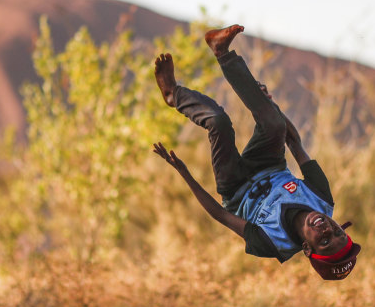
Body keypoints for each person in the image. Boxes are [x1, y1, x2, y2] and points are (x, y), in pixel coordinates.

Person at [152, 25, 361, 280]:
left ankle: (174, 95)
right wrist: (269, 105)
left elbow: (220, 214)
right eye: (338, 232)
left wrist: (184, 173)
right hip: (270, 165)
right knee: (274, 124)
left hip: (235, 187)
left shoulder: (273, 242)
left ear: (307, 249)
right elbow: (295, 143)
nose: (328, 229)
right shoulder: (321, 198)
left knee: (218, 122)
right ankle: (222, 52)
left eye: (325, 241)